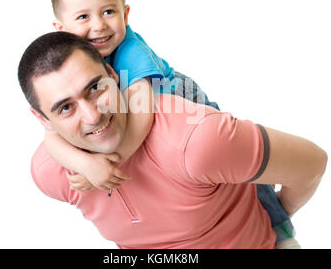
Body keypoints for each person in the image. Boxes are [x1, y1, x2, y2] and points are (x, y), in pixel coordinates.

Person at [45, 0, 295, 247]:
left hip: (179, 103)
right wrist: (86, 164)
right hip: (135, 110)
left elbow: (142, 115)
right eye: (83, 17)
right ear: (59, 28)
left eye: (108, 11)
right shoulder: (66, 63)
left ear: (125, 14)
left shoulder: (131, 51)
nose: (99, 25)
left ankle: (281, 232)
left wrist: (109, 165)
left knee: (243, 173)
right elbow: (50, 134)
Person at [18, 31, 327, 249]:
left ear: (114, 76)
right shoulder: (50, 172)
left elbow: (312, 164)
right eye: (66, 107)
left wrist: (277, 221)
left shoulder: (196, 141)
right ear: (43, 120)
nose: (92, 116)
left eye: (95, 89)